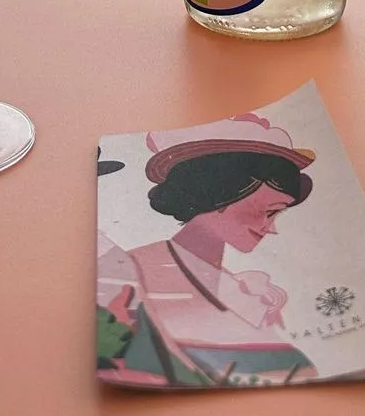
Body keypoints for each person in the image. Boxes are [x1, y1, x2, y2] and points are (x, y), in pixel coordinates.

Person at [97, 114, 317, 387]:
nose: (269, 228)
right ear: (218, 195)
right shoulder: (132, 271)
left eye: (276, 214)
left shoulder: (242, 288)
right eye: (267, 211)